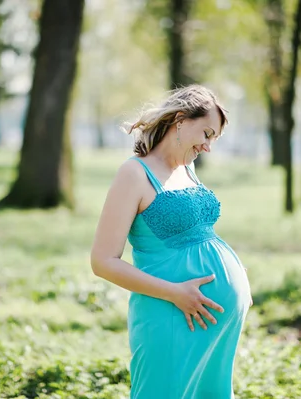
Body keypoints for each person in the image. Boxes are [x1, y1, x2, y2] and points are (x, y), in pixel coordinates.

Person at [90, 85, 252, 399]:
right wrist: (175, 293)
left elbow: (200, 235)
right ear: (180, 119)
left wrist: (237, 280)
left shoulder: (187, 170)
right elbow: (102, 261)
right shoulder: (134, 174)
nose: (207, 146)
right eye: (206, 133)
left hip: (211, 325)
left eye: (213, 139)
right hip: (171, 317)